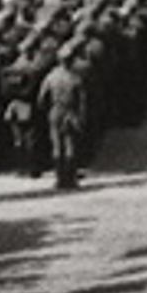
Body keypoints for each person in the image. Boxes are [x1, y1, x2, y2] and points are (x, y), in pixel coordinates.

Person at [37, 50, 88, 190]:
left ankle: (59, 179)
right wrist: (81, 118)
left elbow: (41, 99)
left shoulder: (51, 77)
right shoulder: (75, 78)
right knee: (70, 145)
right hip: (70, 111)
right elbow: (82, 101)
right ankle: (70, 179)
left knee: (57, 146)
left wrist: (49, 110)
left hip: (55, 111)